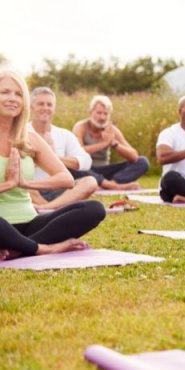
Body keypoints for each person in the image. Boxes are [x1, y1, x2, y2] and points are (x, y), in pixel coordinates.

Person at [0, 69, 105, 260]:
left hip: (29, 222)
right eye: (5, 92)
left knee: (94, 209)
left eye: (18, 94)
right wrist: (8, 184)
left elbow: (66, 179)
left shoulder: (30, 139)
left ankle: (18, 249)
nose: (12, 98)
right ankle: (43, 248)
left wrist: (25, 183)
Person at [28, 87, 98, 210]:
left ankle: (46, 208)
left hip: (58, 190)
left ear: (54, 109)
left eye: (49, 104)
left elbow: (86, 161)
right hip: (31, 188)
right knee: (19, 184)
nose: (45, 108)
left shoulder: (64, 134)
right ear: (31, 107)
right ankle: (49, 207)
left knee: (90, 182)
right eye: (40, 104)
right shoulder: (22, 132)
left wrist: (50, 157)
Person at [72, 95, 149, 190]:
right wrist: (104, 144)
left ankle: (109, 184)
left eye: (106, 114)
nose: (102, 117)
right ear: (90, 112)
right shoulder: (81, 127)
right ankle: (112, 186)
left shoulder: (112, 130)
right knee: (72, 165)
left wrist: (114, 144)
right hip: (87, 169)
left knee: (143, 162)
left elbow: (134, 156)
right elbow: (78, 151)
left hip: (105, 171)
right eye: (99, 113)